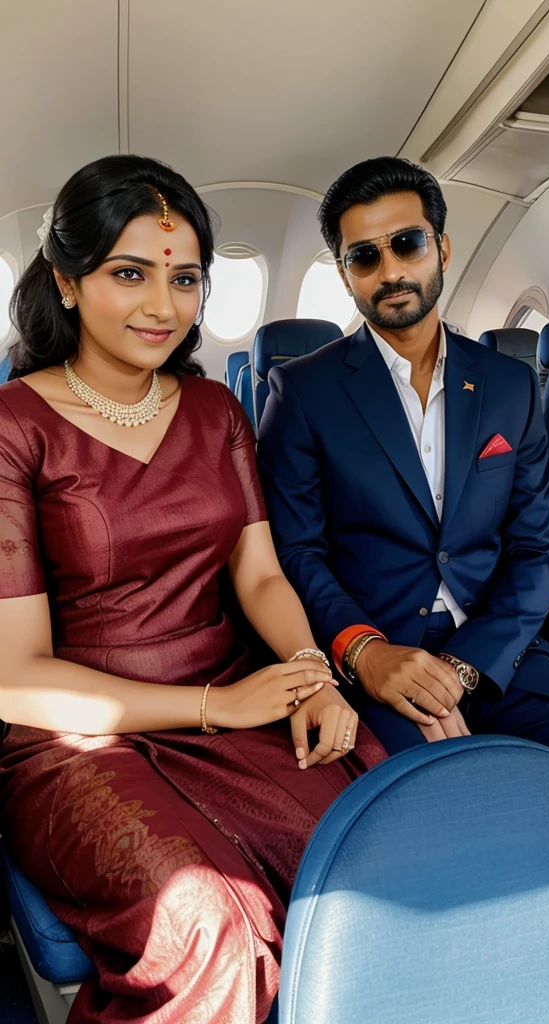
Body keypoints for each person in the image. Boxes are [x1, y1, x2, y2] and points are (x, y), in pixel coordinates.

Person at [0, 154, 385, 1024]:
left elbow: (259, 574)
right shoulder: (13, 427)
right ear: (66, 282)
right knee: (211, 921)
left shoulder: (216, 413)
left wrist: (310, 674)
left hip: (233, 692)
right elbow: (14, 675)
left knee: (369, 857)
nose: (162, 306)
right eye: (128, 273)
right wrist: (221, 705)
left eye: (185, 279)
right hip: (73, 739)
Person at [257, 156, 549, 897]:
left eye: (407, 244)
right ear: (345, 272)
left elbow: (537, 551)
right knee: (437, 840)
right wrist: (367, 656)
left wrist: (465, 666)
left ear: (442, 248)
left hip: (502, 657)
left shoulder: (511, 386)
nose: (390, 270)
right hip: (373, 663)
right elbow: (297, 553)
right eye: (365, 255)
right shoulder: (302, 392)